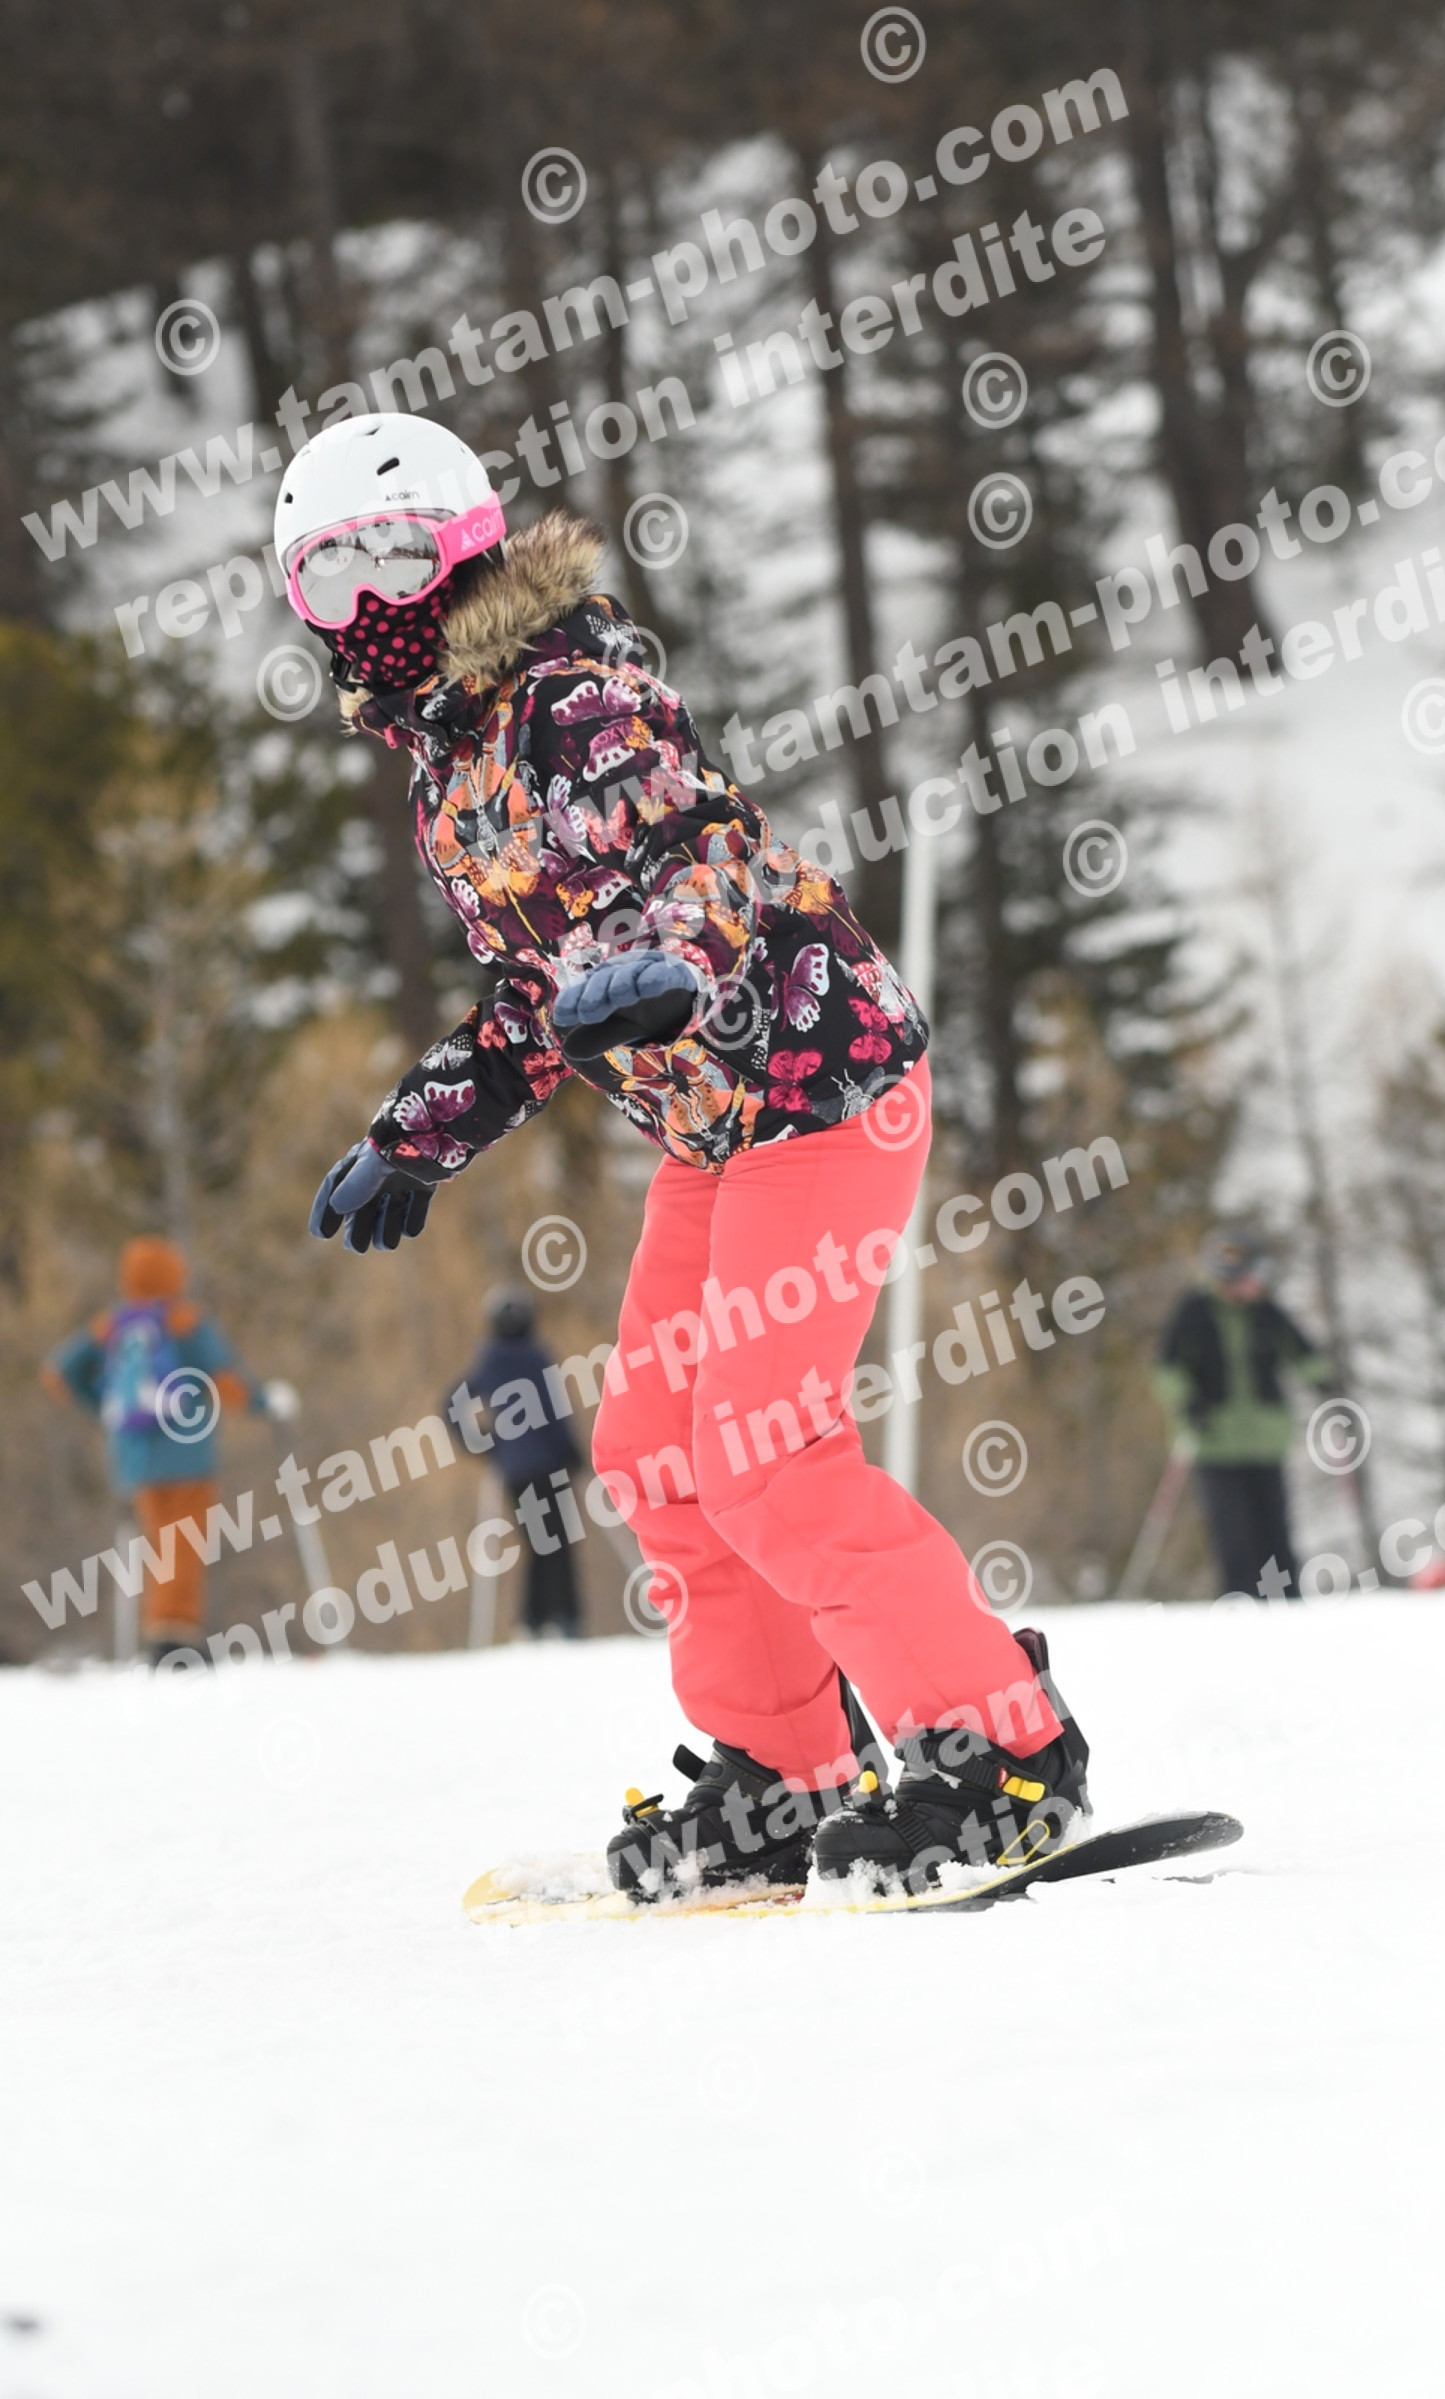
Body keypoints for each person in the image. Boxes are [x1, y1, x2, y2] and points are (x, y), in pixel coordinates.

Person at [278, 410, 1089, 1899]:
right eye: (328, 577)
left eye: (390, 557)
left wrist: (672, 965)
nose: (368, 602)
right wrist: (413, 1137)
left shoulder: (570, 701)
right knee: (655, 1451)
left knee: (765, 1448)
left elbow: (696, 856)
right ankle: (785, 1771)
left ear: (463, 547)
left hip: (818, 1082)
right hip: (716, 1130)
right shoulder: (449, 772)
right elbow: (532, 1000)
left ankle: (1006, 1753)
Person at [43, 1237, 268, 1662]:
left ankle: (163, 1631)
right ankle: (174, 1637)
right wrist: (265, 1404)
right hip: (189, 1456)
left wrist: (102, 1405)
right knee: (183, 1544)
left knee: (159, 1543)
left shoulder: (111, 1325)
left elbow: (58, 1373)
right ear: (173, 1275)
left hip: (135, 1457)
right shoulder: (186, 1321)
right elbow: (227, 1381)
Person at [1155, 1226, 1331, 1601]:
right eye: (1254, 1274)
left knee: (1275, 1531)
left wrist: (1324, 1381)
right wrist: (1189, 1401)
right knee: (1233, 1535)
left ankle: (1287, 1603)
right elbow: (1167, 1368)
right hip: (1215, 1441)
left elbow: (1302, 1353)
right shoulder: (1195, 1310)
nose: (1258, 1284)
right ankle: (1240, 1606)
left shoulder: (1266, 1312)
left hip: (1265, 1440)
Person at [450, 1289, 584, 1638]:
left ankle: (535, 1619)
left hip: (516, 1468)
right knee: (558, 1540)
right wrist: (571, 1450)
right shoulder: (536, 1356)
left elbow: (452, 1405)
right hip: (549, 1463)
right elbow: (554, 1411)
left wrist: (484, 1444)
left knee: (540, 1541)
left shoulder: (490, 1360)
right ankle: (561, 1617)